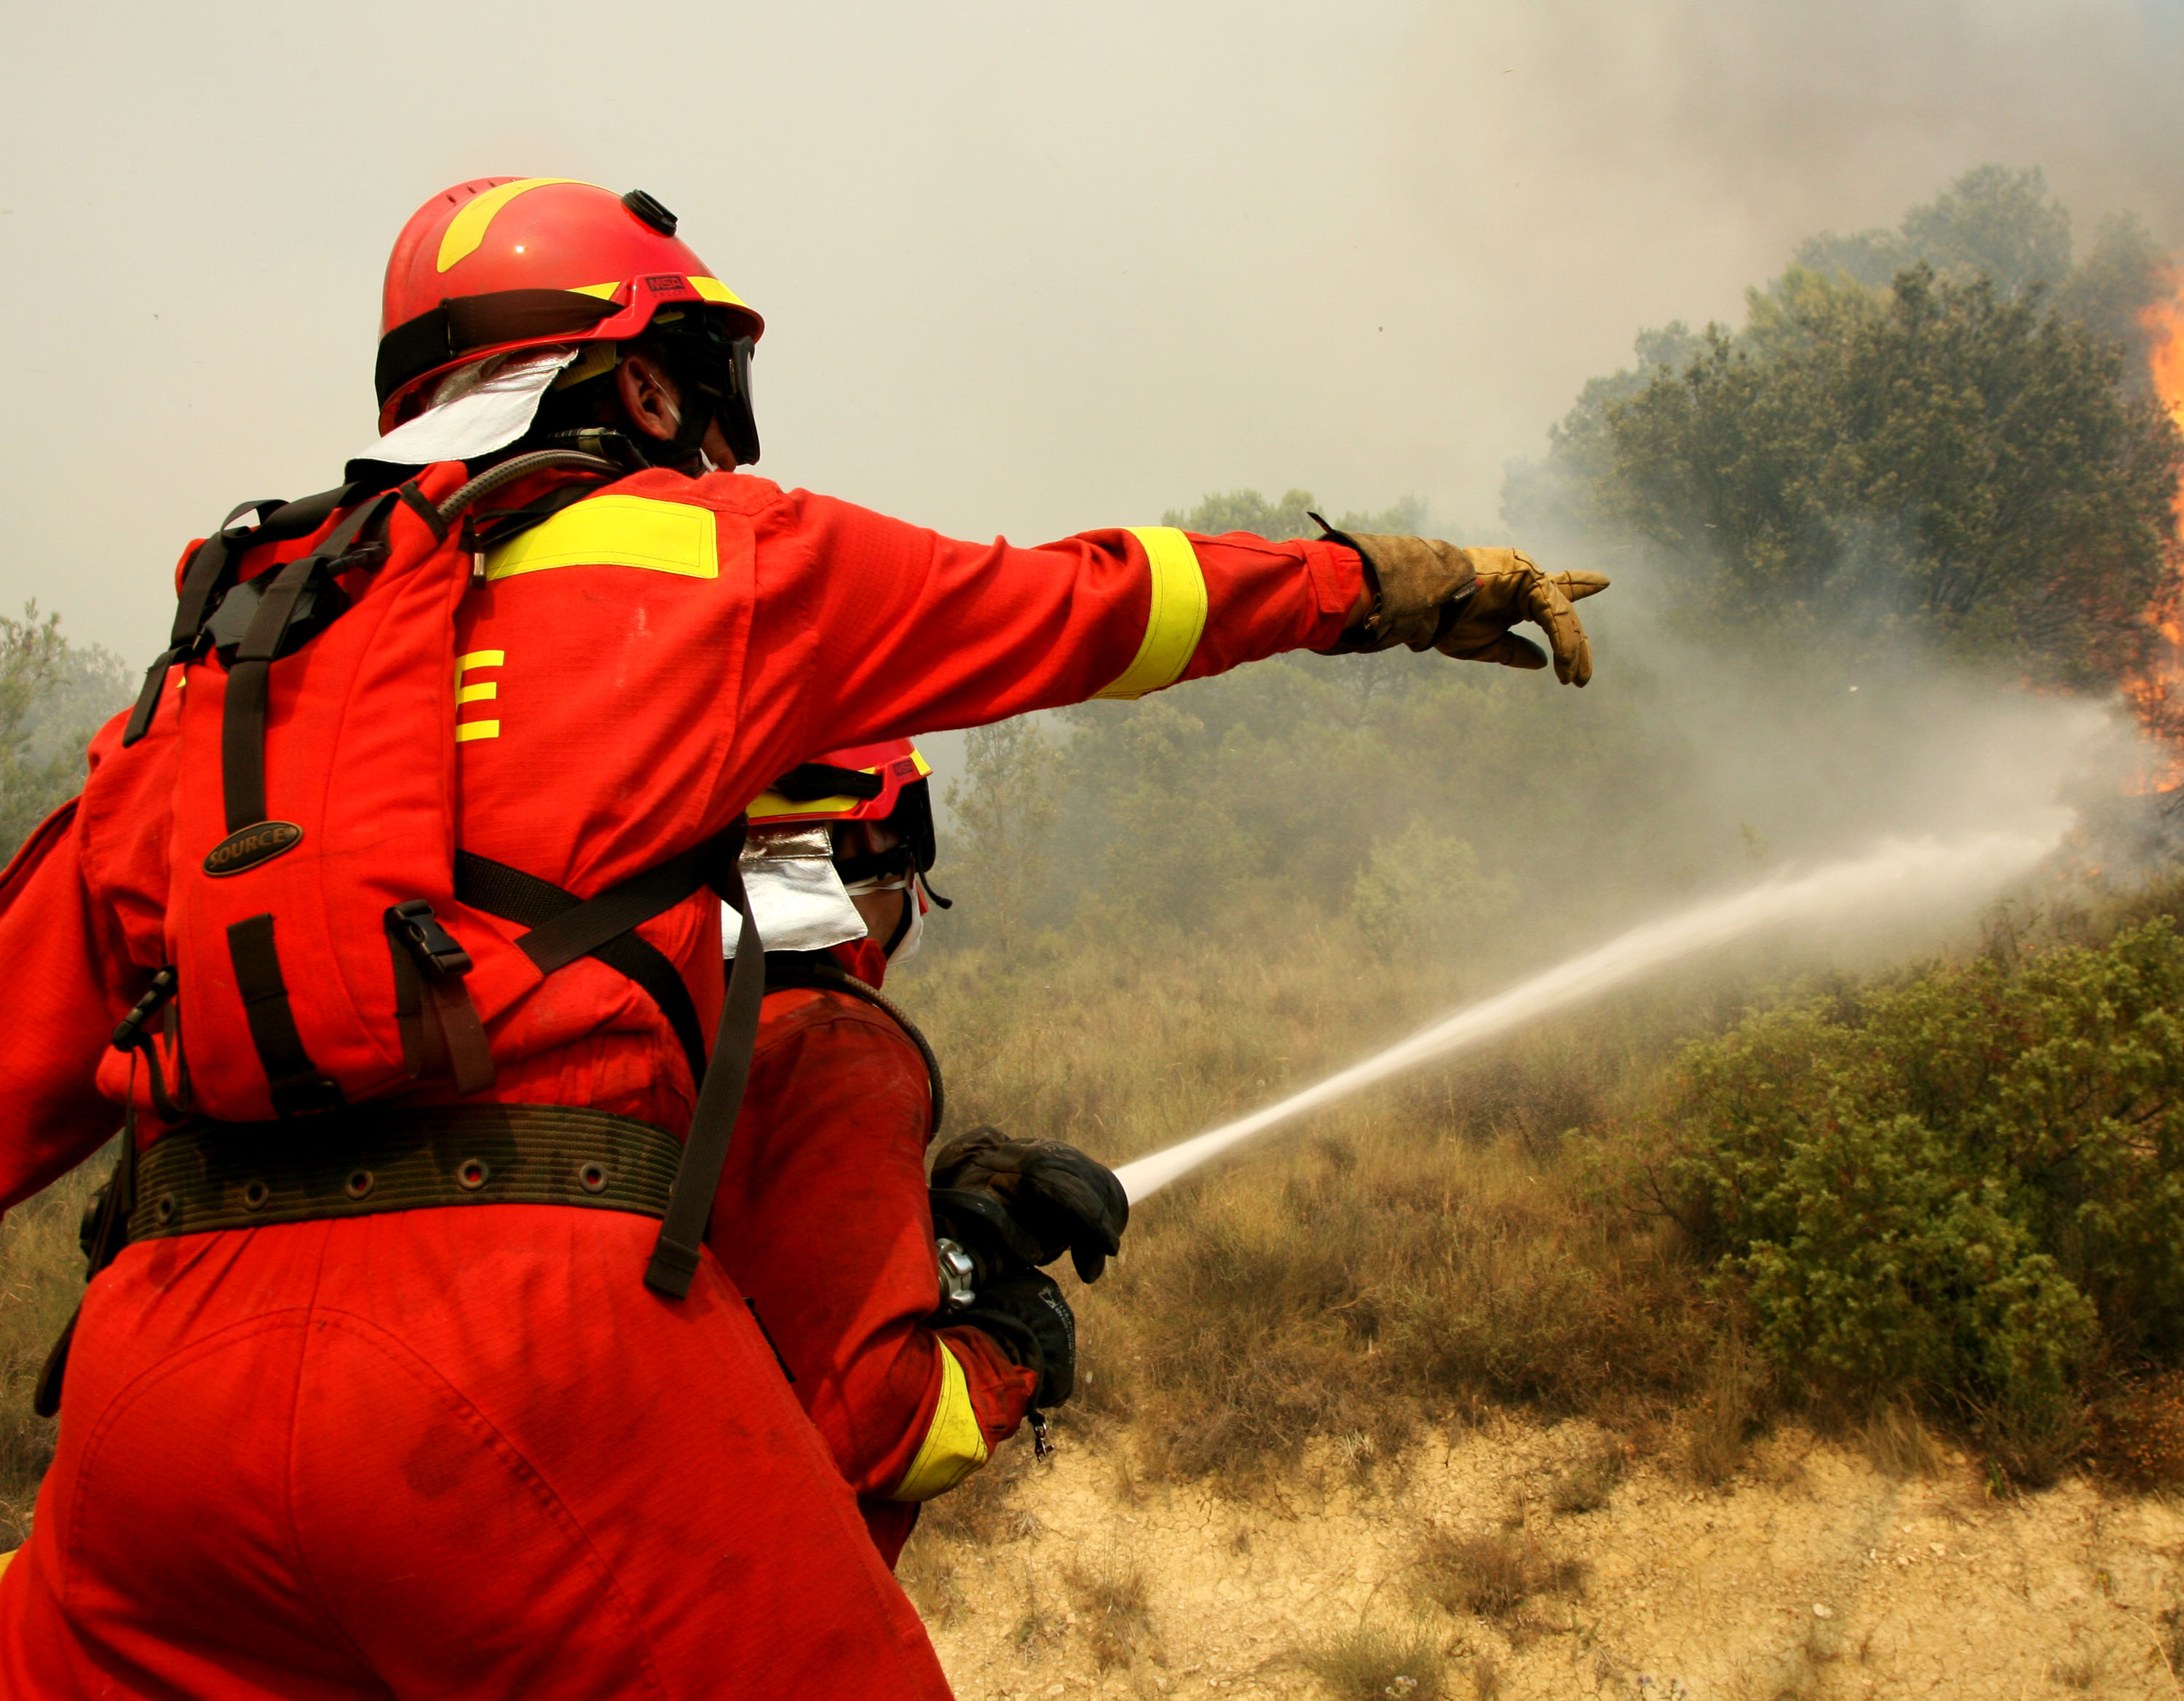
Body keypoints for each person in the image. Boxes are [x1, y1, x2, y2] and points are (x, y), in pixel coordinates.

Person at [0, 176, 1605, 1698]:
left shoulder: (215, 667)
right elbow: (1095, 603)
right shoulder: (713, 555)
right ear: (644, 385)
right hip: (517, 1357)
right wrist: (1375, 585)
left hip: (155, 1408)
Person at [708, 740, 1104, 1566]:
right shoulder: (832, 1043)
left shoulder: (684, 1007)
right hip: (766, 1571)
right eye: (909, 835)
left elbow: (747, 1271)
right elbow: (880, 1427)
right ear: (860, 843)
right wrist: (1008, 1347)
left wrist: (938, 1232)